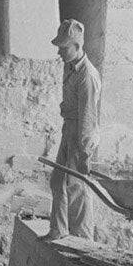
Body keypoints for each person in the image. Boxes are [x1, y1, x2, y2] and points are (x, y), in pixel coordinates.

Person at [47, 18, 102, 240]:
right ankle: (58, 231)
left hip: (81, 133)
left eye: (64, 47)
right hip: (69, 128)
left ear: (77, 46)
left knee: (77, 186)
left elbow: (88, 117)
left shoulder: (87, 76)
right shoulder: (70, 66)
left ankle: (82, 238)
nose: (59, 52)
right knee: (58, 181)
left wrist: (85, 152)